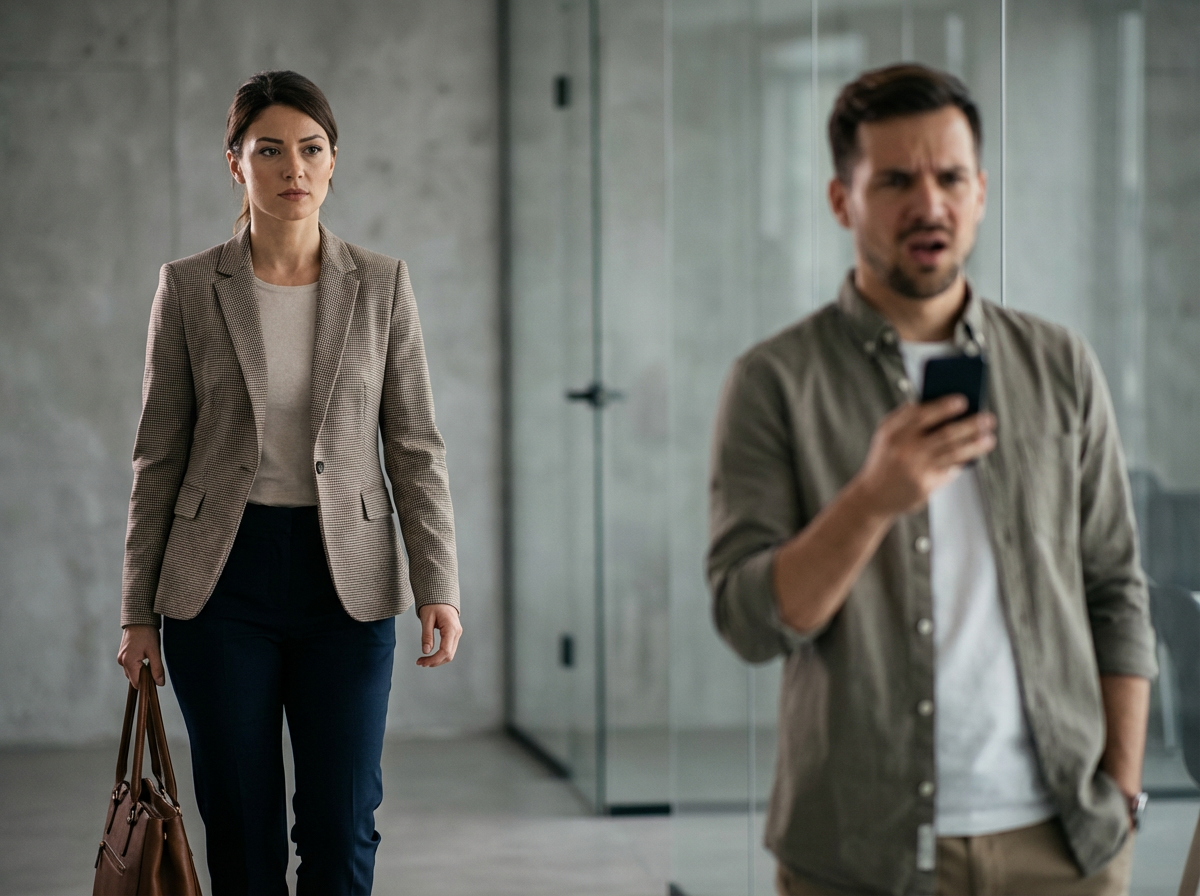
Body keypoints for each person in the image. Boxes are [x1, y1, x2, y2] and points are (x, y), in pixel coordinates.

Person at [707, 64, 1156, 896]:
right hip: (855, 851)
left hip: (1061, 845)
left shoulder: (1058, 365)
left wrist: (1120, 788)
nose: (930, 204)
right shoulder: (774, 380)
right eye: (895, 181)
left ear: (980, 191)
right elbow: (749, 622)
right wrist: (872, 499)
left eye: (951, 177)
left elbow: (1117, 590)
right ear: (842, 201)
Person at [116, 70, 462, 895]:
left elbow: (415, 444)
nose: (292, 168)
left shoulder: (381, 285)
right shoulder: (192, 287)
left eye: (310, 149)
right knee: (241, 831)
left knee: (342, 828)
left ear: (334, 162)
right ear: (234, 163)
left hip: (348, 582)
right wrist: (137, 613)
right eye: (268, 150)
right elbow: (157, 455)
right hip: (219, 585)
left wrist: (437, 580)